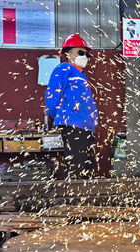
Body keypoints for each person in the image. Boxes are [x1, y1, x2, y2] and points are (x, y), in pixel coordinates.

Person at [45, 34, 98, 179]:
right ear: (68, 54)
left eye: (87, 54)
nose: (85, 56)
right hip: (74, 126)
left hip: (87, 127)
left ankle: (85, 199)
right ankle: (73, 199)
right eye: (80, 52)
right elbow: (52, 96)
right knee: (76, 165)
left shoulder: (82, 75)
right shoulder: (64, 68)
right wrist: (58, 117)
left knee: (87, 166)